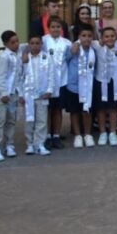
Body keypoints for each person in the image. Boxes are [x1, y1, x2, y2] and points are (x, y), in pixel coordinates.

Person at [0, 31, 22, 162]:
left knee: (11, 120)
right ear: (5, 44)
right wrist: (3, 94)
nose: (16, 44)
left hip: (13, 93)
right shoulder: (4, 57)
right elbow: (0, 77)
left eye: (17, 41)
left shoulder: (17, 55)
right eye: (12, 42)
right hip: (2, 95)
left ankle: (9, 144)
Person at [42, 16, 71, 150]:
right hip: (47, 81)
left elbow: (70, 60)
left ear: (62, 28)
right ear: (48, 27)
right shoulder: (43, 41)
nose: (55, 29)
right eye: (53, 27)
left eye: (58, 27)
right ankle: (47, 135)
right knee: (48, 109)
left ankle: (57, 135)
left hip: (62, 80)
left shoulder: (67, 43)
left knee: (58, 109)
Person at [65, 24, 96, 148]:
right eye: (84, 36)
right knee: (74, 112)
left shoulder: (94, 50)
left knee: (86, 111)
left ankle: (87, 134)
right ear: (79, 37)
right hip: (74, 86)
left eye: (89, 36)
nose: (86, 38)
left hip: (88, 86)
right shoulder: (73, 49)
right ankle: (77, 135)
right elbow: (65, 61)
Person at [21, 34, 51, 156]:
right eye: (32, 43)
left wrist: (49, 90)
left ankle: (40, 144)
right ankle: (30, 144)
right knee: (29, 120)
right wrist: (21, 94)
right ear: (29, 45)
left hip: (42, 94)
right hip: (28, 95)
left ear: (41, 44)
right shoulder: (24, 59)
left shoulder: (47, 57)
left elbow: (51, 75)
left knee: (42, 120)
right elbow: (20, 77)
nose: (35, 46)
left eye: (37, 43)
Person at [91, 27, 117, 147]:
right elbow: (81, 41)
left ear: (116, 37)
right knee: (101, 108)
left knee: (113, 108)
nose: (109, 39)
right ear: (102, 38)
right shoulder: (98, 46)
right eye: (106, 36)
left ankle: (112, 132)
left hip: (114, 81)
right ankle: (103, 132)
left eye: (112, 36)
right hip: (100, 81)